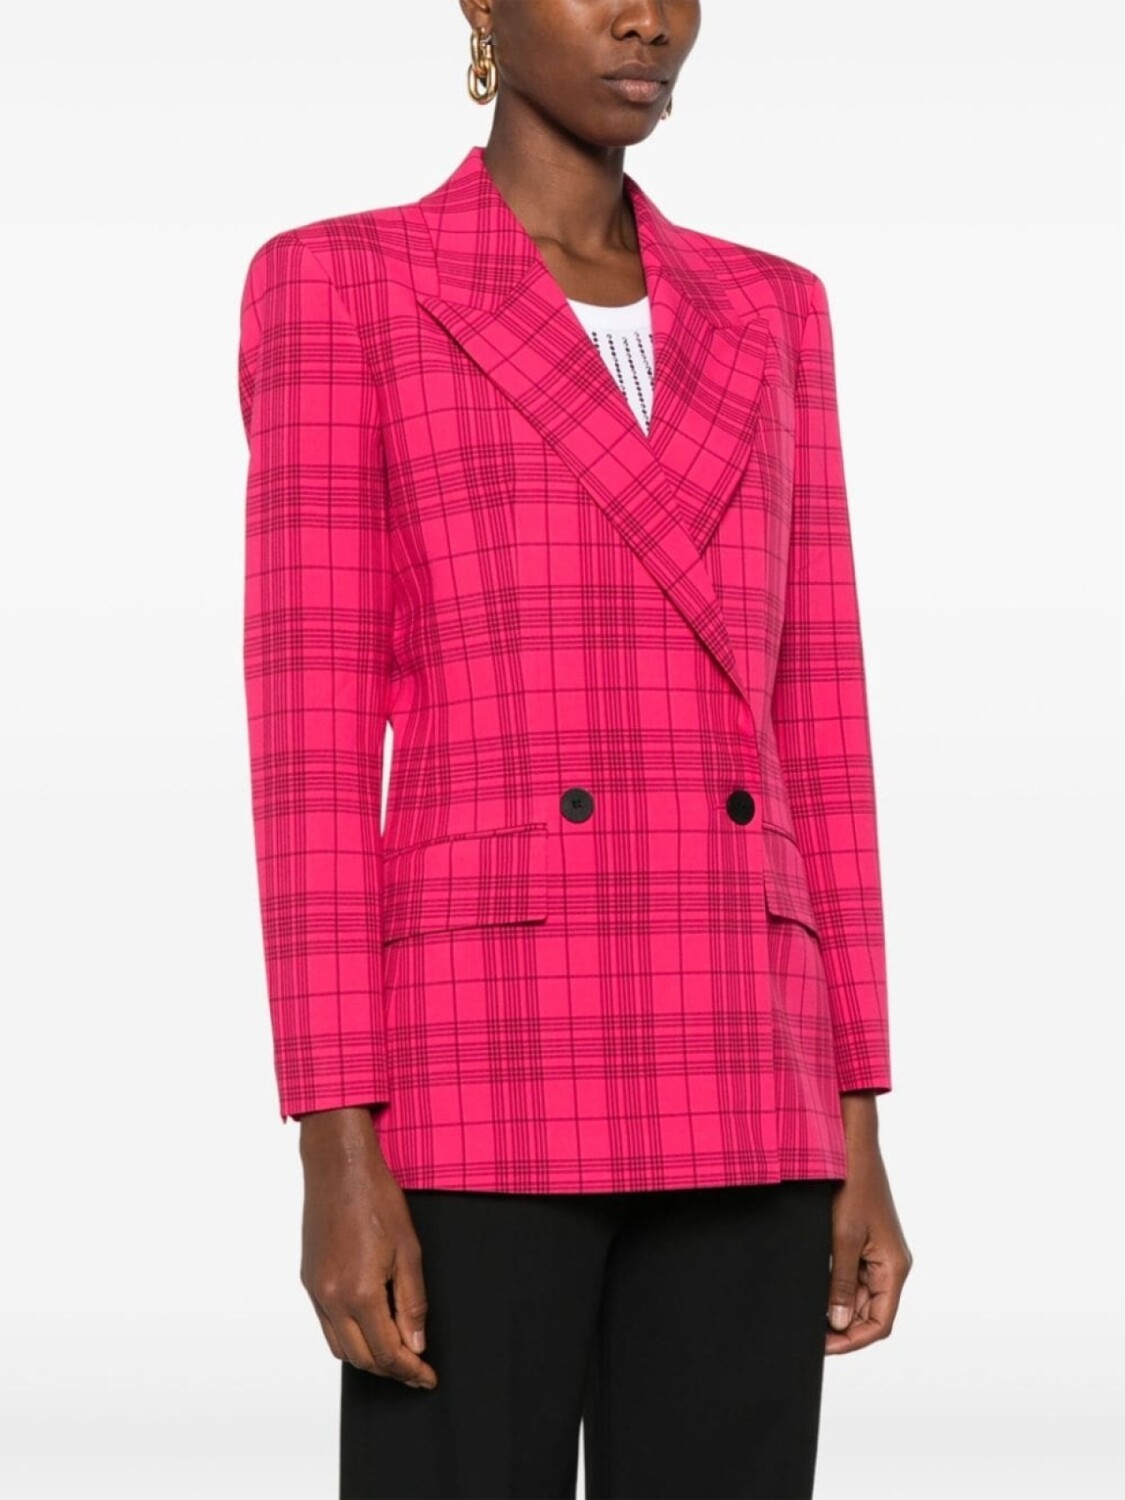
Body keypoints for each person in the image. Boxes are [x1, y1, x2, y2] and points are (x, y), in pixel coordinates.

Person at [236, 2, 913, 1496]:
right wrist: (335, 1147)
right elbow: (309, 752)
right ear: (481, 7)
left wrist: (855, 1114)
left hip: (749, 1061)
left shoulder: (772, 306)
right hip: (481, 1064)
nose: (645, 17)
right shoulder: (345, 281)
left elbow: (821, 725)